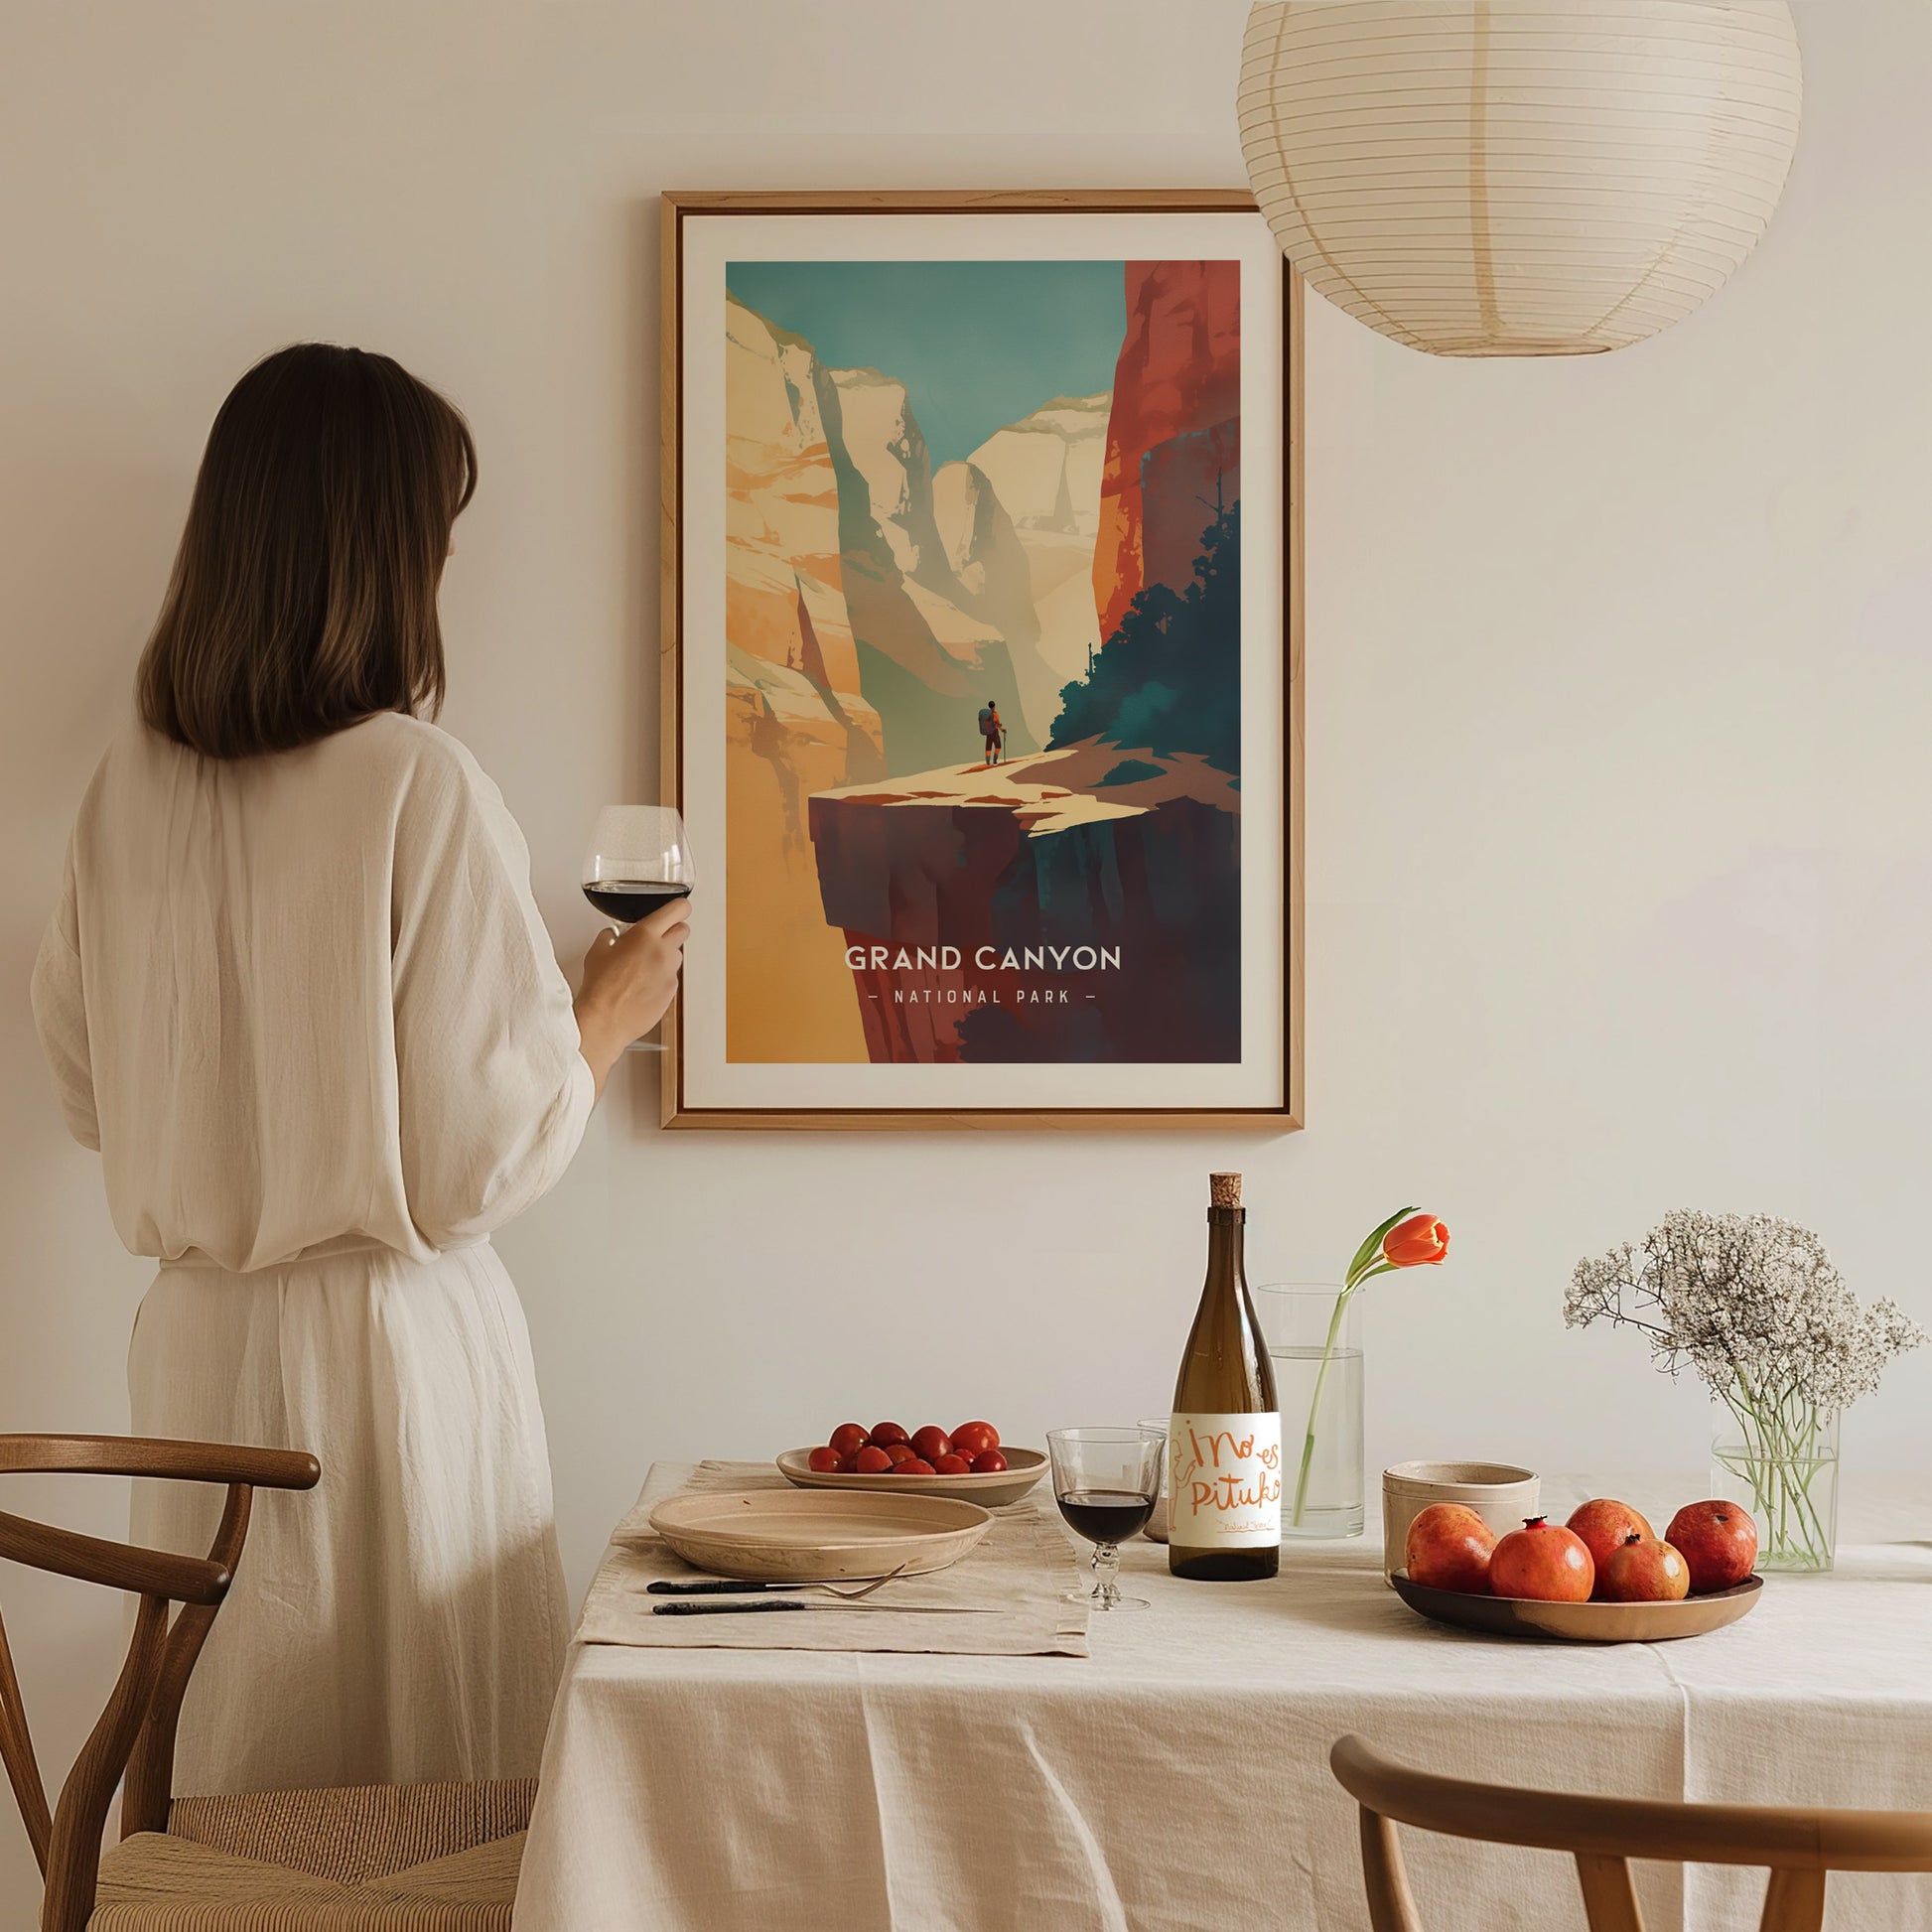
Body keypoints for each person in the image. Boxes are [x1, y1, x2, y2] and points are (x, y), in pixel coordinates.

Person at [29, 344, 685, 1795]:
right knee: (421, 1797)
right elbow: (472, 1162)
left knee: (239, 1777)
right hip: (388, 1362)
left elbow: (87, 1093)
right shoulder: (414, 780)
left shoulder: (121, 793)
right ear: (384, 553)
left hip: (195, 1351)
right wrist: (602, 1012)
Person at [980, 699, 1005, 766]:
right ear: (994, 706)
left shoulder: (986, 715)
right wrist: (1002, 729)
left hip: (988, 733)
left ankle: (988, 762)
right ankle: (994, 761)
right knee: (998, 746)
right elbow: (997, 723)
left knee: (988, 747)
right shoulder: (995, 714)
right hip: (994, 733)